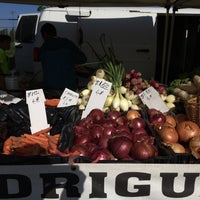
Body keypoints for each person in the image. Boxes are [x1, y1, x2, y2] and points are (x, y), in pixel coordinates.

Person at [39, 23, 87, 94]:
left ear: (45, 34)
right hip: (69, 89)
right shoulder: (67, 43)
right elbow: (83, 59)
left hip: (50, 89)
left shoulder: (43, 48)